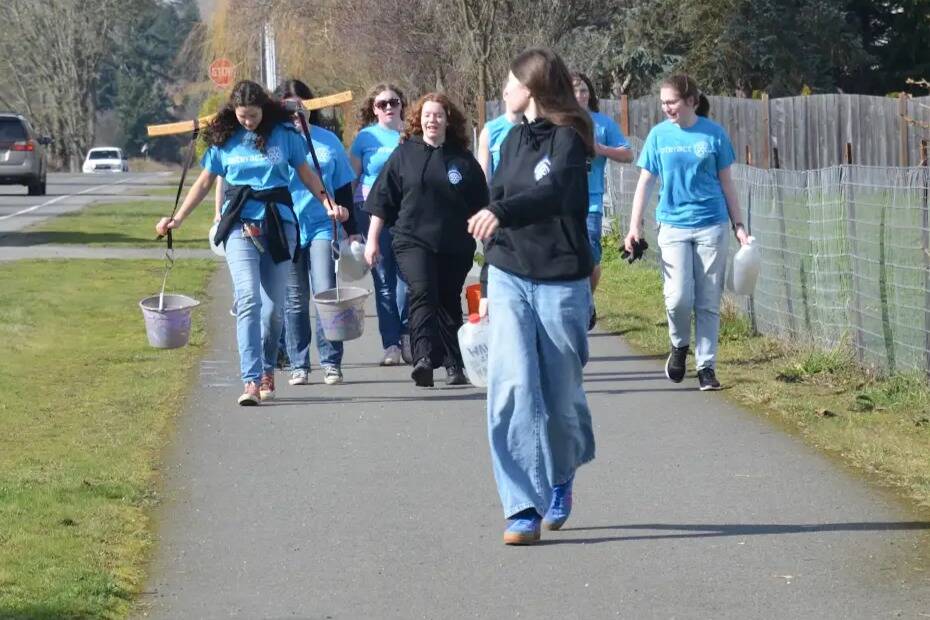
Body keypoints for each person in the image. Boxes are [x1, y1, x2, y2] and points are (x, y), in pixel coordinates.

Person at [468, 49, 596, 545]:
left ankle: (562, 474)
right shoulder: (511, 138)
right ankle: (521, 505)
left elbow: (555, 192)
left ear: (534, 88)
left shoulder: (570, 139)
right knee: (512, 388)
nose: (504, 90)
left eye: (510, 82)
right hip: (508, 274)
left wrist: (501, 211)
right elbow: (496, 194)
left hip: (561, 279)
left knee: (561, 400)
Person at [154, 80, 343, 406]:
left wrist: (326, 201)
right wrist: (177, 218)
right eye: (242, 116)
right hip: (240, 225)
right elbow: (203, 183)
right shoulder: (224, 139)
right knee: (248, 299)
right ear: (233, 112)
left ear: (263, 110)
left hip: (280, 225)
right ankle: (251, 380)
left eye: (253, 116)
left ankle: (268, 368)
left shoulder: (284, 134)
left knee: (273, 311)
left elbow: (306, 173)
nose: (248, 122)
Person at [623, 74, 749, 392]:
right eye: (663, 102)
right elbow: (645, 182)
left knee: (707, 301)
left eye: (672, 102)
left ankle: (706, 367)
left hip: (712, 224)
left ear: (691, 100)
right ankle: (679, 345)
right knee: (678, 297)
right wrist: (634, 225)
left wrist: (739, 225)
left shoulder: (714, 134)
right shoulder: (658, 136)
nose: (667, 108)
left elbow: (727, 183)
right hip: (673, 226)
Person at [365, 93, 488, 387]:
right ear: (418, 120)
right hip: (411, 239)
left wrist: (492, 241)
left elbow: (482, 205)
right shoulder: (404, 154)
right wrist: (372, 241)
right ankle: (422, 359)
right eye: (427, 115)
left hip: (454, 242)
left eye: (438, 115)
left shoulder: (462, 160)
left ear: (448, 120)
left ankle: (454, 363)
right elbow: (382, 201)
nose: (432, 120)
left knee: (447, 298)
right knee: (422, 290)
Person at [274, 79, 359, 387]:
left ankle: (331, 362)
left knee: (325, 291)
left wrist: (352, 230)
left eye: (301, 106)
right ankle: (299, 363)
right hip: (287, 225)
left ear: (310, 107)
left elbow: (343, 189)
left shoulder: (329, 141)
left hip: (323, 225)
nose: (296, 113)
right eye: (288, 107)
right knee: (294, 298)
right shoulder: (275, 143)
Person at [349, 84, 409, 366]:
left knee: (408, 279)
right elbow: (352, 178)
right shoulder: (365, 137)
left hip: (407, 211)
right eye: (382, 104)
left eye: (393, 102)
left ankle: (408, 337)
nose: (388, 108)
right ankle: (392, 344)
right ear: (373, 109)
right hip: (370, 210)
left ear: (401, 105)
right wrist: (346, 220)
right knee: (384, 279)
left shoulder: (411, 133)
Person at [571, 72, 633, 329]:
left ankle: (587, 301)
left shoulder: (603, 123)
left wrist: (601, 150)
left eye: (584, 90)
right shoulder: (555, 122)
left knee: (592, 259)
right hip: (560, 203)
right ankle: (574, 305)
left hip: (591, 202)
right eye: (574, 90)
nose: (580, 95)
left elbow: (628, 154)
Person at [476, 82, 518, 181]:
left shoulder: (536, 127)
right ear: (505, 95)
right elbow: (483, 179)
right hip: (502, 195)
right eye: (514, 89)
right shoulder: (490, 131)